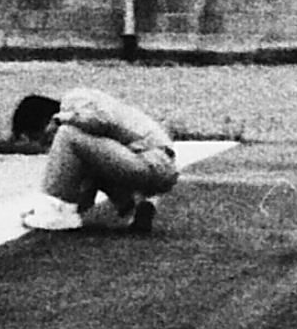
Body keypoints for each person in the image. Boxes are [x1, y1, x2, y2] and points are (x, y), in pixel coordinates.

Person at [11, 84, 181, 233]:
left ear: (42, 121)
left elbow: (103, 120)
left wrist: (61, 119)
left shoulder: (74, 100)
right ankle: (135, 206)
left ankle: (57, 211)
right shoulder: (86, 140)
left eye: (36, 136)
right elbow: (83, 193)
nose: (42, 144)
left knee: (67, 134)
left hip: (151, 159)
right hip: (150, 162)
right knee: (86, 160)